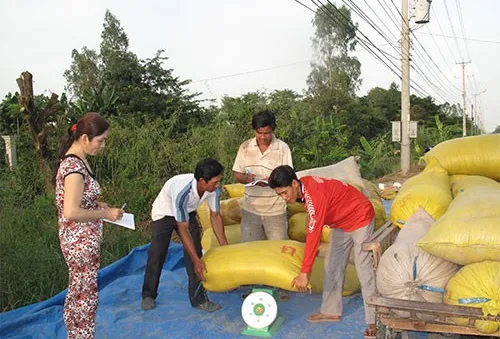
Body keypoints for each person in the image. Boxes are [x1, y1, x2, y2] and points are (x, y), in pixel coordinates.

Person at [268, 165, 377, 339]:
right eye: (279, 195)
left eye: (284, 193)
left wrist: (304, 273)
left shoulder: (314, 196)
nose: (283, 198)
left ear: (295, 184)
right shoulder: (304, 190)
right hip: (341, 223)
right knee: (332, 265)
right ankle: (331, 311)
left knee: (364, 268)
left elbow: (313, 234)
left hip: (360, 216)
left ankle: (374, 321)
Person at [55, 112, 124, 339]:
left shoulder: (79, 161)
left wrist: (95, 204)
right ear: (84, 138)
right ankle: (82, 335)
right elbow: (71, 211)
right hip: (79, 243)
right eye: (100, 140)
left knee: (80, 291)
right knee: (84, 294)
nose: (103, 146)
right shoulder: (73, 167)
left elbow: (78, 200)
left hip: (82, 240)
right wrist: (104, 213)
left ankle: (77, 334)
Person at [141, 158, 228, 312]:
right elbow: (183, 229)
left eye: (218, 181)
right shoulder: (183, 192)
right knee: (157, 253)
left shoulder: (213, 189)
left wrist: (225, 247)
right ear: (202, 181)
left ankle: (199, 299)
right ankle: (148, 295)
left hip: (186, 212)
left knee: (196, 253)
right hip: (165, 213)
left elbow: (215, 216)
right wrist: (196, 260)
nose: (218, 185)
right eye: (214, 182)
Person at [232, 110, 293, 301]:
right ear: (255, 131)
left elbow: (289, 174)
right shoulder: (245, 147)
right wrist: (247, 178)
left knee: (278, 249)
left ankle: (280, 286)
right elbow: (237, 174)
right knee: (251, 249)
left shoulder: (282, 148)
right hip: (251, 207)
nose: (263, 137)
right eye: (260, 133)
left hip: (275, 207)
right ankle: (253, 287)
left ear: (273, 130)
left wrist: (273, 181)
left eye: (267, 133)